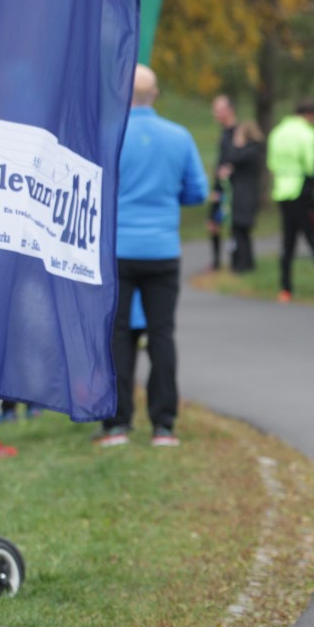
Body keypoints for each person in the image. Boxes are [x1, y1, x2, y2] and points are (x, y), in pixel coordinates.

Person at [96, 65, 207, 448]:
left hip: (118, 250)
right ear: (155, 95)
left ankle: (117, 424)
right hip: (162, 249)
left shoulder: (109, 135)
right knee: (162, 335)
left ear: (124, 95)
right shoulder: (179, 136)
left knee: (117, 334)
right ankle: (163, 425)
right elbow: (197, 191)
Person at [267, 98, 314, 303]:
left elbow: (272, 163)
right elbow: (312, 165)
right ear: (310, 115)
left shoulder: (277, 132)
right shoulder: (307, 133)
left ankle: (285, 288)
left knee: (287, 242)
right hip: (303, 190)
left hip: (282, 191)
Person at [220, 119, 264, 273]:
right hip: (241, 195)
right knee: (240, 231)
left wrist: (236, 144)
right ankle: (243, 263)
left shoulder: (251, 151)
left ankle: (242, 265)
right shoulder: (250, 151)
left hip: (245, 196)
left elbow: (230, 157)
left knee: (241, 230)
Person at [206, 95, 236, 271]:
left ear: (229, 110)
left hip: (230, 188)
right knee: (213, 224)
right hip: (220, 187)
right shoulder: (224, 133)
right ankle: (216, 262)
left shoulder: (236, 133)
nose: (215, 113)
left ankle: (234, 262)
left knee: (231, 224)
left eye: (218, 110)